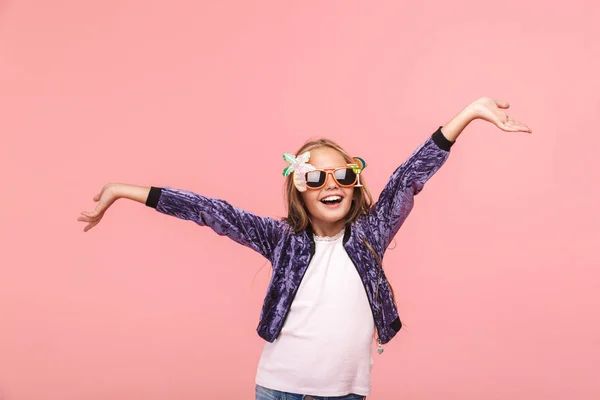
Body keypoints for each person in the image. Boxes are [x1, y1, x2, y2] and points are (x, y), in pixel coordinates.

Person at [78, 97, 531, 400]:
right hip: (278, 390)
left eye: (343, 176)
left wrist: (468, 114)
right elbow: (210, 211)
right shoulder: (280, 239)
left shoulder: (373, 233)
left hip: (348, 392)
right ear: (299, 189)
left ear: (355, 185)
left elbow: (409, 176)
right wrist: (123, 190)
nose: (330, 185)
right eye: (315, 177)